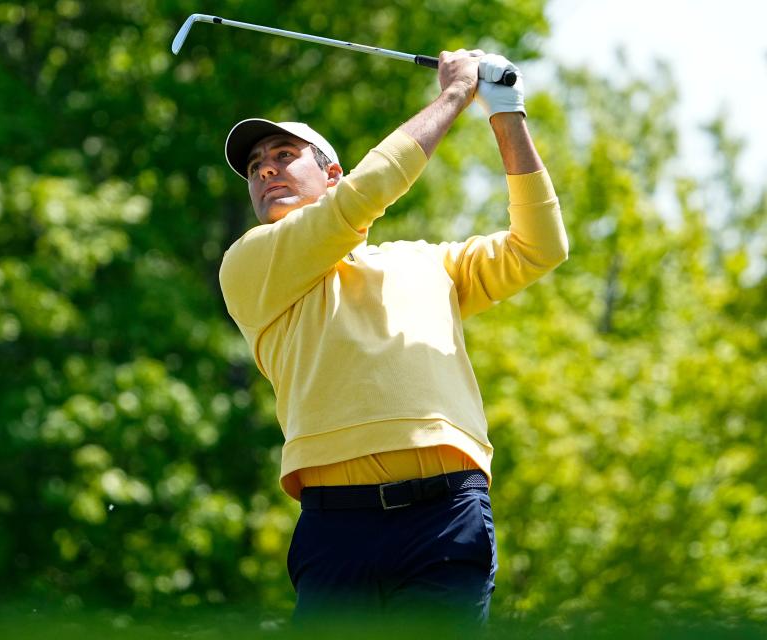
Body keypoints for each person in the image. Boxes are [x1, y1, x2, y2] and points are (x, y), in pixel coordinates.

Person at [218, 50, 568, 624]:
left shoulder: (426, 264)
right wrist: (454, 97)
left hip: (446, 514)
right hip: (336, 527)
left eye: (284, 156)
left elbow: (540, 247)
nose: (265, 171)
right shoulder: (252, 265)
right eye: (256, 167)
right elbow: (362, 198)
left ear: (331, 174)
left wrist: (506, 113)